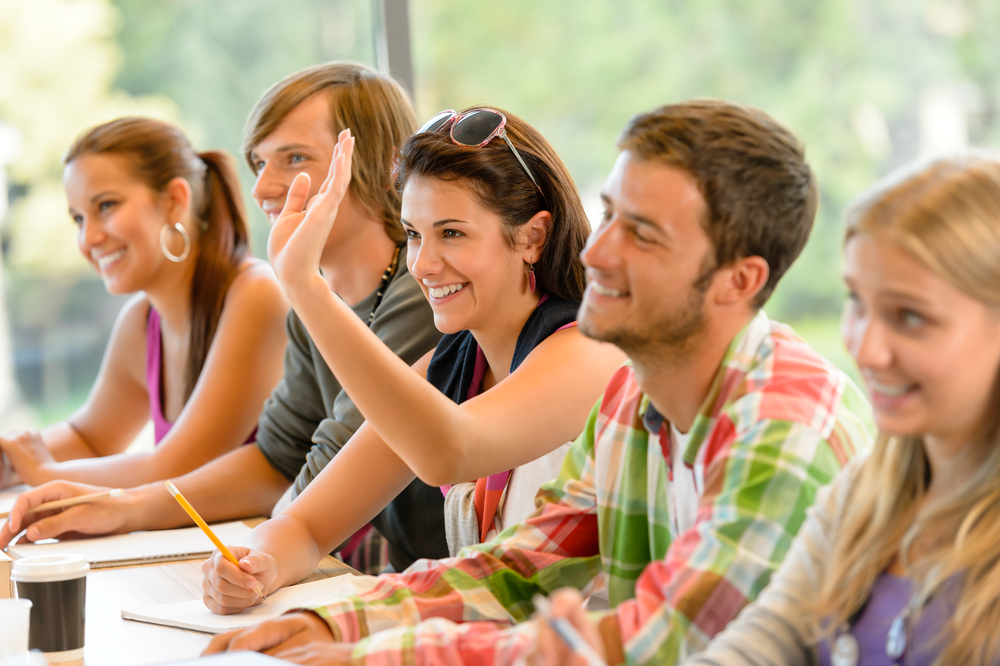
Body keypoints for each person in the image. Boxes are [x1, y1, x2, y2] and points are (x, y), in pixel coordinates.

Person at [201, 100, 873, 666]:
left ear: (740, 282)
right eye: (608, 215)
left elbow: (663, 640)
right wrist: (331, 629)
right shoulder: (635, 401)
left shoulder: (784, 420)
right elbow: (518, 569)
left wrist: (367, 651)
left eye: (641, 234)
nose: (596, 251)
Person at [0, 62, 446, 574]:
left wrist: (256, 550)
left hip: (433, 575)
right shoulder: (312, 305)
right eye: (259, 164)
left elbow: (328, 463)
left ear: (386, 165)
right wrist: (124, 507)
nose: (262, 190)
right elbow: (274, 460)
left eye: (294, 158)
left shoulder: (422, 295)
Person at [196, 105, 627, 614]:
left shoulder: (589, 351)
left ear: (532, 236)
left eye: (452, 233)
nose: (421, 263)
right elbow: (308, 526)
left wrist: (308, 289)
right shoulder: (452, 364)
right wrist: (257, 563)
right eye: (415, 234)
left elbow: (451, 451)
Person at [625, 152, 1000, 666]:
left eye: (910, 317)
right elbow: (765, 642)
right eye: (857, 302)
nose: (866, 350)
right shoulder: (866, 490)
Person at [0, 117, 289, 489]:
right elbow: (91, 439)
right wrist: (11, 460)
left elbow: (178, 468)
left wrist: (43, 473)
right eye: (78, 218)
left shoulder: (255, 293)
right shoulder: (141, 320)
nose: (88, 238)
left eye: (105, 206)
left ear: (174, 201)